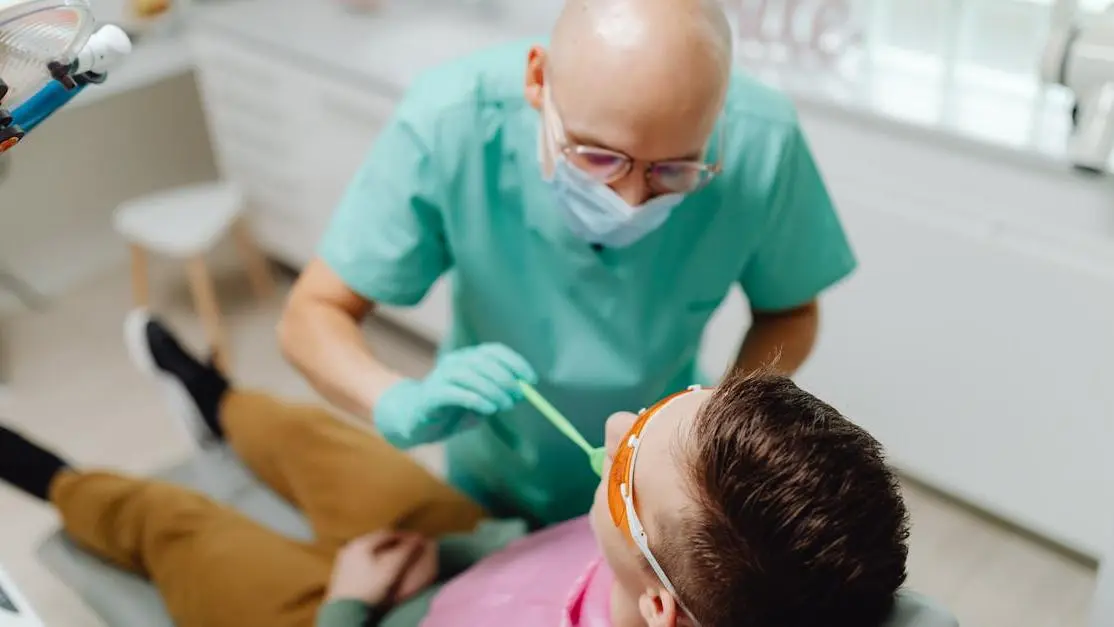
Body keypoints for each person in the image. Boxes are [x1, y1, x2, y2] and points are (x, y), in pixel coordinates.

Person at [280, 0, 858, 527]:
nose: (631, 202)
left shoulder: (763, 142)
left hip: (657, 479)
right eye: (600, 158)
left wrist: (717, 423)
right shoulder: (452, 120)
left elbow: (790, 311)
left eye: (674, 171)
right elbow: (313, 312)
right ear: (538, 80)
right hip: (493, 466)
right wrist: (392, 400)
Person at [0, 312, 907, 627]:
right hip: (469, 559)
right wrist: (474, 549)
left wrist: (349, 602)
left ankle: (50, 477)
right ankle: (215, 398)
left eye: (630, 451)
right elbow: (571, 568)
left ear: (661, 606)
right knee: (327, 442)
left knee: (177, 524)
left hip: (356, 609)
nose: (620, 420)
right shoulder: (683, 560)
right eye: (682, 399)